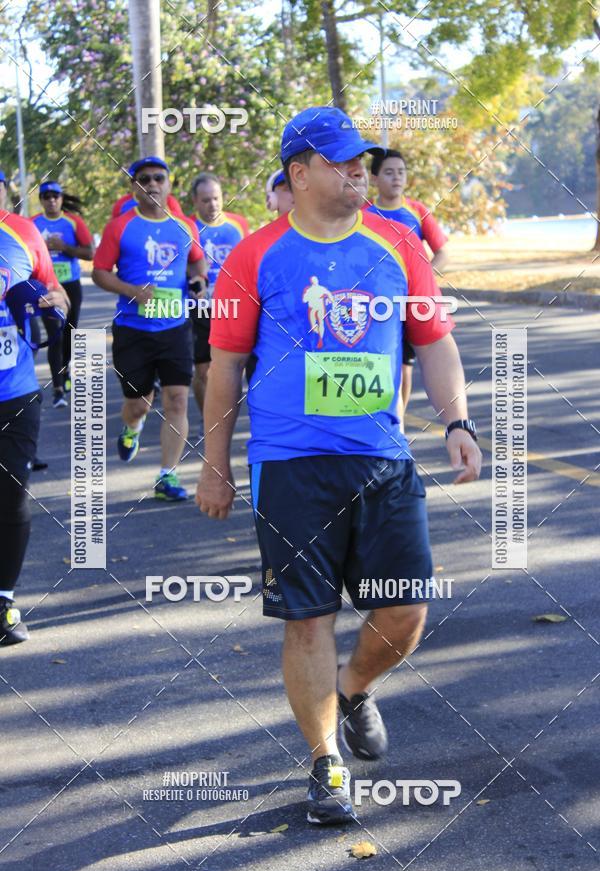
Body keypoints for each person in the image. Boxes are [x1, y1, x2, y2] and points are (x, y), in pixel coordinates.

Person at [195, 107, 481, 826]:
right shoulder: (253, 255)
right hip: (290, 466)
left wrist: (456, 419)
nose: (359, 170)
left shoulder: (397, 244)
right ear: (299, 173)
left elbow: (435, 339)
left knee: (407, 609)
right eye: (341, 160)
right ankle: (325, 760)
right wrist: (215, 464)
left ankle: (353, 688)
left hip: (382, 461)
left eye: (363, 160)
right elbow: (225, 365)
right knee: (307, 620)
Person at [93, 156, 206, 501]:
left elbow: (197, 261)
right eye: (145, 179)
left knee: (176, 399)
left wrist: (198, 280)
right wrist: (131, 291)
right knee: (139, 403)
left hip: (174, 328)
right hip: (133, 329)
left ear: (168, 184)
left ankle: (166, 476)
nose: (153, 184)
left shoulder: (184, 226)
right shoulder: (120, 227)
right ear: (134, 188)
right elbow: (99, 272)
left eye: (159, 177)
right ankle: (132, 427)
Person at [0, 171, 69, 645]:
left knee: (11, 494)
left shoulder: (21, 232)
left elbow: (55, 292)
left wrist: (53, 305)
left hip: (15, 389)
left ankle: (3, 599)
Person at [368, 149, 449, 415]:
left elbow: (443, 252)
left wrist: (422, 280)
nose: (396, 178)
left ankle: (398, 419)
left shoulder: (417, 211)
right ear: (374, 178)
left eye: (401, 173)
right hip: (373, 304)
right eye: (389, 173)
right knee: (379, 358)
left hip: (409, 303)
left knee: (404, 365)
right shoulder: (363, 213)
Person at [190, 172, 249, 418]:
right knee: (203, 370)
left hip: (235, 306)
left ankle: (227, 417)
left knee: (232, 368)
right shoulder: (187, 227)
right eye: (205, 200)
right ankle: (209, 423)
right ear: (194, 201)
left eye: (216, 198)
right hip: (201, 307)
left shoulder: (238, 224)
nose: (212, 205)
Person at [31, 182, 94, 407]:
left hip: (70, 284)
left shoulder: (73, 222)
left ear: (61, 198)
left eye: (55, 196)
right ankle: (58, 389)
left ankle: (65, 371)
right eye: (46, 196)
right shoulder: (33, 224)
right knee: (54, 334)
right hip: (45, 286)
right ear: (41, 200)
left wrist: (64, 247)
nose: (51, 200)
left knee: (69, 332)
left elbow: (89, 253)